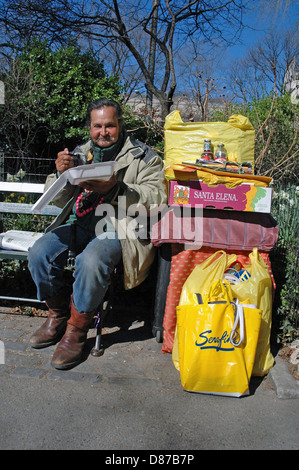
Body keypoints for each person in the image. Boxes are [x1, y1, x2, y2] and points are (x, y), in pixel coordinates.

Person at [28, 97, 167, 370]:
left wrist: (117, 189)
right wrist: (60, 175)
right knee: (39, 252)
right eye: (97, 126)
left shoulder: (144, 156)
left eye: (110, 126)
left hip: (121, 229)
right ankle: (57, 316)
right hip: (81, 223)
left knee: (91, 260)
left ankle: (77, 331)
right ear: (90, 127)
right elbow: (54, 198)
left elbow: (157, 197)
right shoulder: (79, 153)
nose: (103, 132)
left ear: (120, 125)